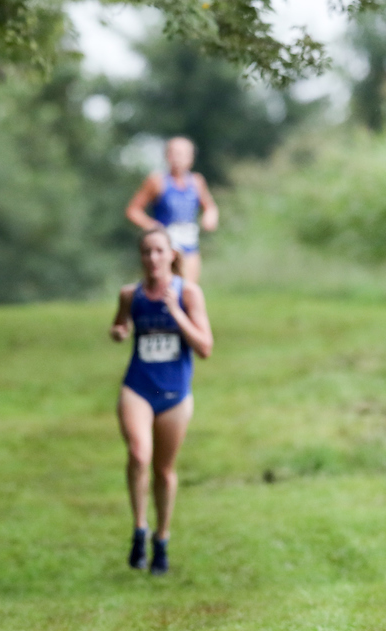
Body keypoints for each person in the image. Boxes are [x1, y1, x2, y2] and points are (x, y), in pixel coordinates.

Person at [110, 228, 213, 575]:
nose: (152, 258)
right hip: (138, 387)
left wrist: (176, 312)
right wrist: (119, 331)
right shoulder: (130, 294)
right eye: (145, 252)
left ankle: (162, 538)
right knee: (139, 453)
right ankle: (139, 528)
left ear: (171, 255)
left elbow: (205, 348)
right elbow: (120, 326)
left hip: (174, 393)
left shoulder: (189, 294)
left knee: (163, 471)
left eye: (158, 251)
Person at [125, 136, 220, 283]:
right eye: (173, 153)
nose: (177, 158)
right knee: (166, 286)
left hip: (189, 244)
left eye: (182, 154)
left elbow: (210, 206)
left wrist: (210, 216)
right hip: (165, 245)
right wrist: (153, 227)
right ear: (166, 156)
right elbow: (133, 211)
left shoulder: (196, 181)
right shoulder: (157, 181)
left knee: (188, 288)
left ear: (191, 158)